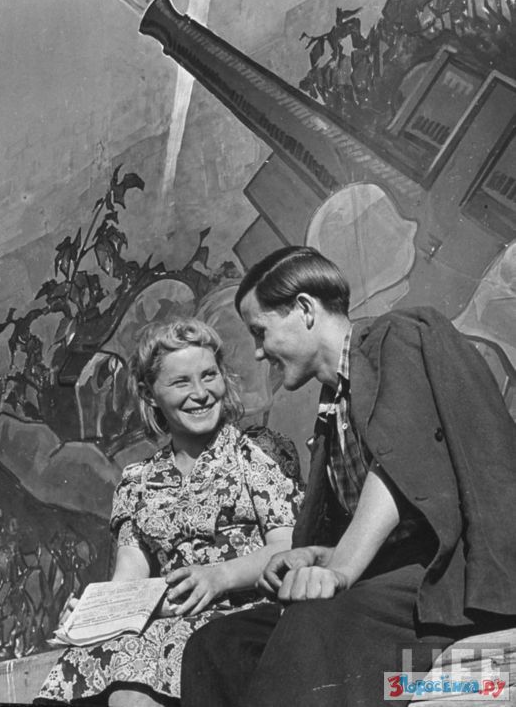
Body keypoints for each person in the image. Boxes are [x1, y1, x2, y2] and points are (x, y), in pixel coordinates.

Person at [180, 246, 516, 707]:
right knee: (219, 644)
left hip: (448, 577)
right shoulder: (332, 410)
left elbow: (400, 461)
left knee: (315, 623)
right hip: (392, 581)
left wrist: (338, 571)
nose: (258, 352)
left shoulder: (396, 338)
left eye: (260, 332)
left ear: (304, 309)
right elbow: (385, 523)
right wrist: (318, 555)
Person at [35, 318, 303, 707]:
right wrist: (96, 610)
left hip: (243, 621)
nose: (201, 393)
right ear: (150, 394)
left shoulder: (257, 454)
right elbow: (129, 578)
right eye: (181, 382)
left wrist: (219, 576)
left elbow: (288, 547)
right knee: (94, 666)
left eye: (209, 375)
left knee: (136, 687)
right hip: (164, 619)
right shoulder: (137, 481)